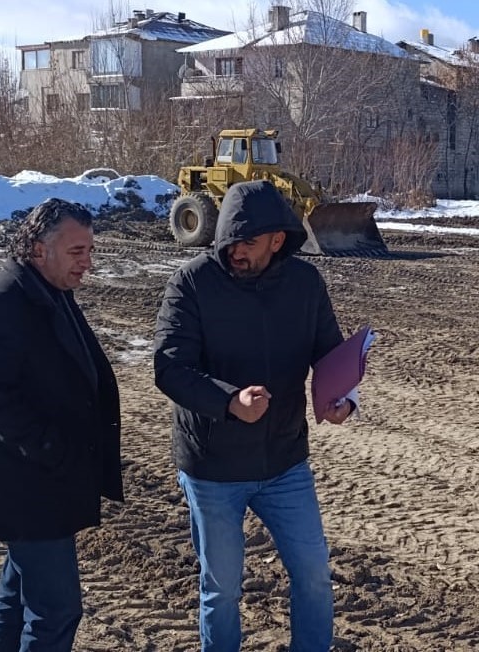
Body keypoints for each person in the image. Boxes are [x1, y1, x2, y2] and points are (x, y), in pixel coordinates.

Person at [154, 180, 357, 652]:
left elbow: (331, 354)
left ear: (277, 240)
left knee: (313, 577)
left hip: (285, 461)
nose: (236, 251)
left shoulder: (305, 284)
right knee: (222, 590)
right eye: (229, 240)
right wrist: (229, 401)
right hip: (213, 467)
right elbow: (169, 368)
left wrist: (342, 398)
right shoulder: (192, 283)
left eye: (247, 241)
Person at [0, 198, 123, 651]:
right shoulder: (4, 301)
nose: (87, 263)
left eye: (90, 251)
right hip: (28, 486)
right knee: (55, 611)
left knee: (16, 601)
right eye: (77, 252)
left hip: (50, 481)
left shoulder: (49, 291)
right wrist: (50, 447)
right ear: (38, 248)